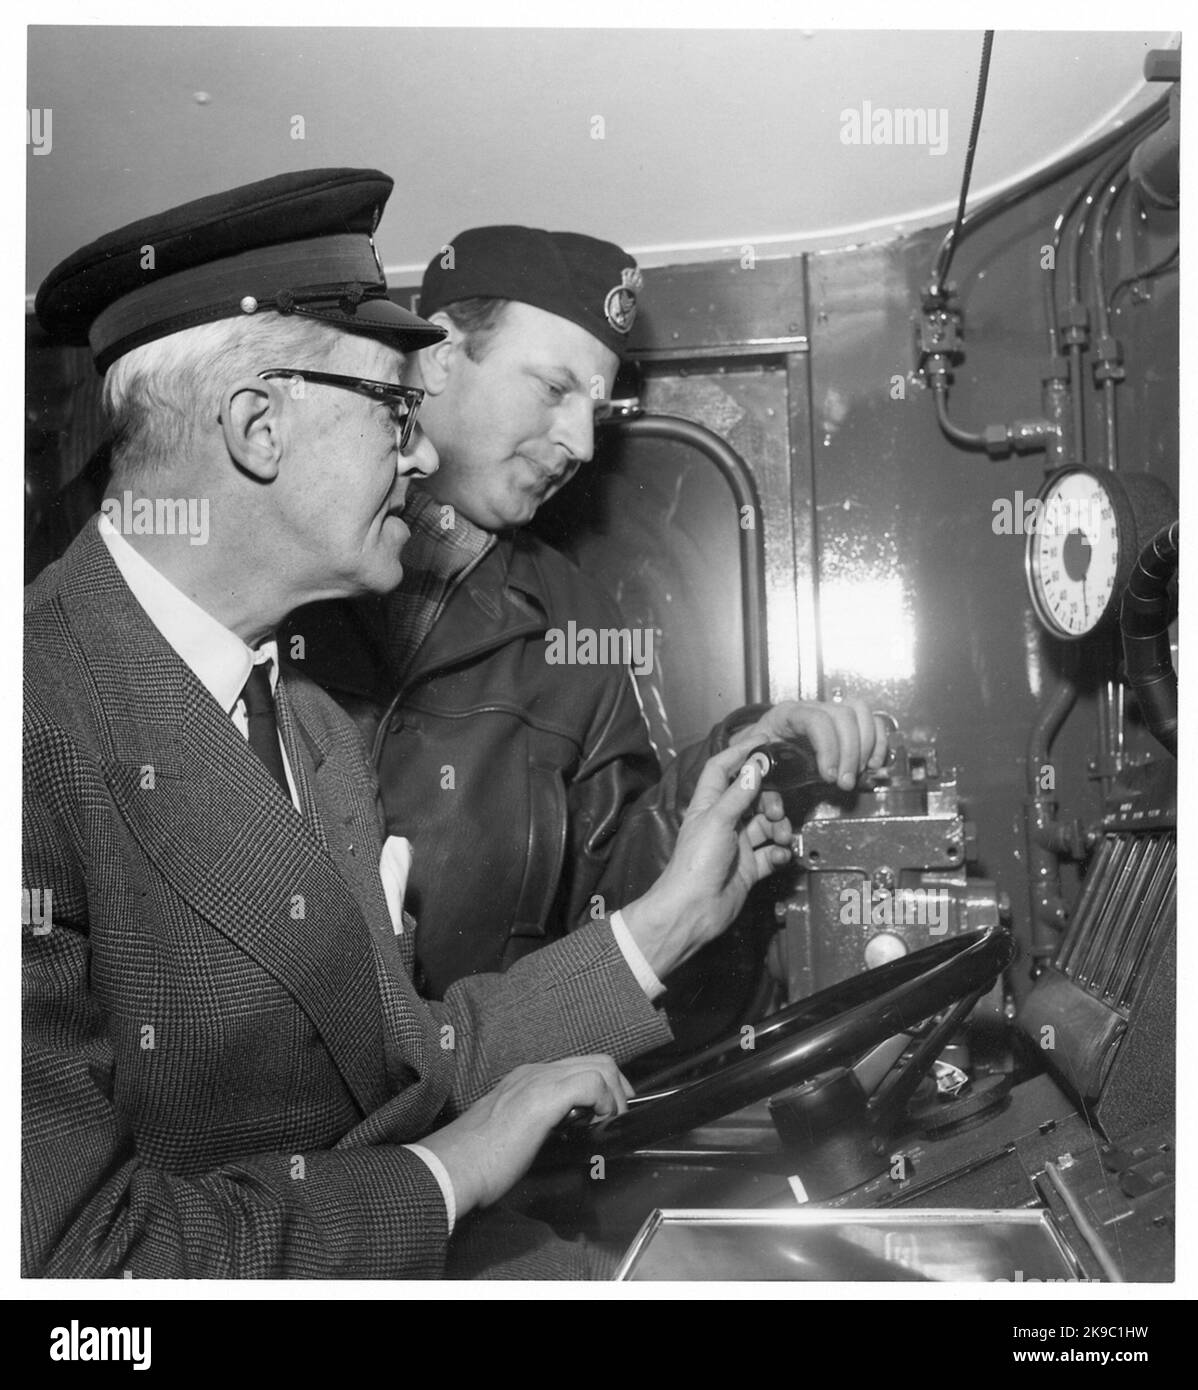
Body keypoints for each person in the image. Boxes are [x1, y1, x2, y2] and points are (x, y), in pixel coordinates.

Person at [23, 168, 884, 1279]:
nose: (418, 448)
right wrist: (451, 1170)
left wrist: (668, 917)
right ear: (257, 426)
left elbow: (406, 1060)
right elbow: (78, 1271)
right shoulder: (40, 718)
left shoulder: (309, 731)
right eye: (391, 407)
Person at [285, 227, 814, 1004]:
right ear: (438, 357)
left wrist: (730, 769)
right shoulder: (282, 531)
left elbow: (602, 892)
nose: (582, 444)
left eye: (595, 408)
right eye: (553, 388)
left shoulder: (576, 624)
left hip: (472, 1092)